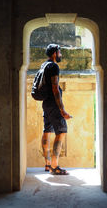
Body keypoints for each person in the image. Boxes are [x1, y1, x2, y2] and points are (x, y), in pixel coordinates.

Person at [41, 44, 72, 175]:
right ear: (54, 53)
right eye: (59, 53)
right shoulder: (54, 66)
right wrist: (62, 109)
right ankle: (55, 166)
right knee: (61, 131)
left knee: (47, 131)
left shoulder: (44, 65)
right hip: (54, 104)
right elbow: (55, 88)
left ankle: (47, 164)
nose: (60, 55)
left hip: (46, 103)